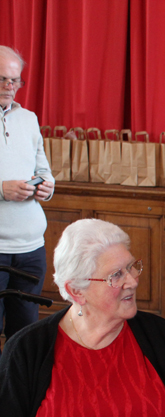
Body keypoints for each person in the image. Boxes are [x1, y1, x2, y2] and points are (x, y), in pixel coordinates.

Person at [0, 219, 165, 417]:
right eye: (116, 275)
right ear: (76, 291)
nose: (133, 281)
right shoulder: (28, 349)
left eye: (132, 267)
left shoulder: (158, 335)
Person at [0, 46, 55, 348]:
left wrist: (47, 186)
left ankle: (16, 394)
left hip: (31, 248)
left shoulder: (29, 118)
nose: (10, 87)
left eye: (15, 80)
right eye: (2, 79)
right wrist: (1, 189)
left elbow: (43, 169)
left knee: (24, 338)